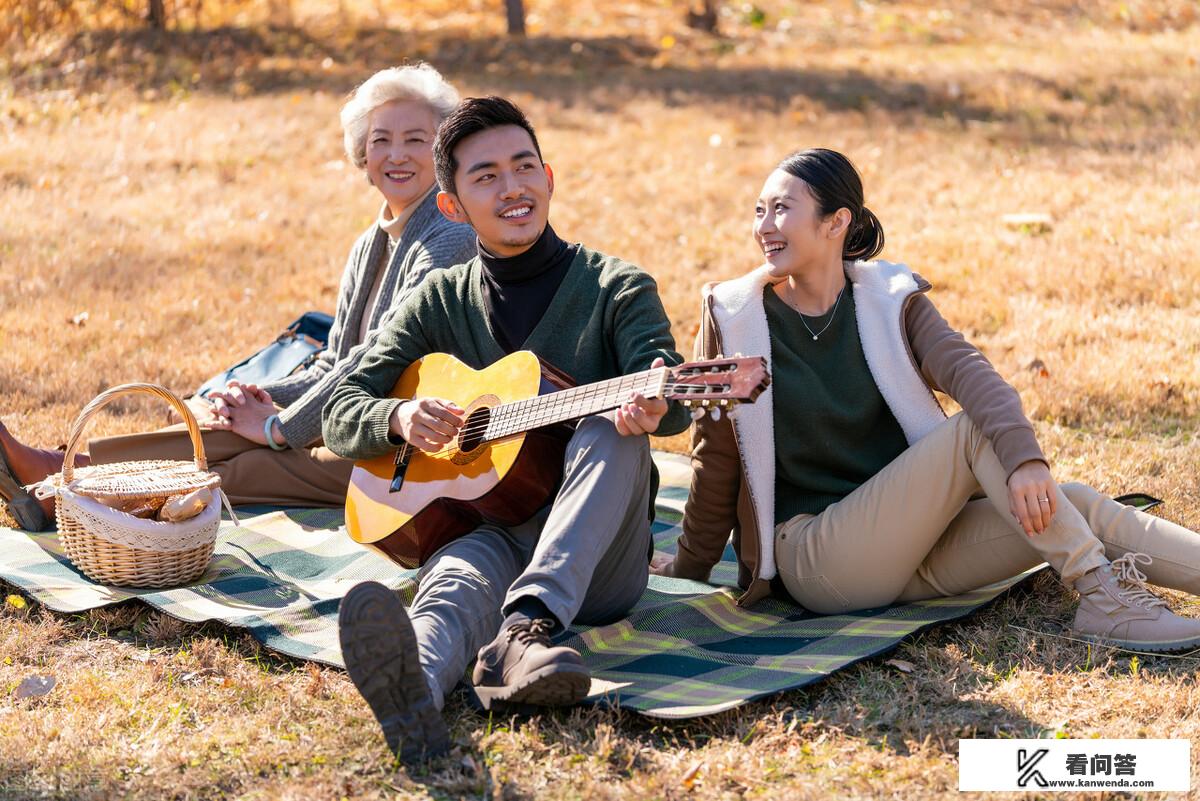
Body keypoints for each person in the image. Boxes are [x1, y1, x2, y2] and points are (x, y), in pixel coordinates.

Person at [655, 147, 1200, 654]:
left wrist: (1026, 461)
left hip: (912, 548)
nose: (764, 227)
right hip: (818, 557)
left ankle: (1116, 592)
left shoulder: (889, 302)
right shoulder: (736, 319)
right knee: (971, 434)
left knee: (1072, 500)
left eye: (781, 209)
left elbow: (972, 375)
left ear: (836, 222)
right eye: (759, 211)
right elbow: (718, 454)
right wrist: (690, 564)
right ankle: (1103, 595)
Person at [325, 96, 689, 763]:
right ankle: (419, 692)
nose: (513, 187)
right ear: (452, 207)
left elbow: (672, 390)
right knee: (452, 589)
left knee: (612, 427)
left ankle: (526, 629)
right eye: (486, 176)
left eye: (525, 167)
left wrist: (658, 406)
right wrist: (399, 415)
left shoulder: (616, 286)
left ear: (549, 178)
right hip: (486, 528)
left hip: (601, 558)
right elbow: (342, 407)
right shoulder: (438, 298)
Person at [0, 64, 475, 531]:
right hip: (350, 414)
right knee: (218, 433)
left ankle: (66, 494)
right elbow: (336, 361)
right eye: (380, 141)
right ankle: (61, 469)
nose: (397, 155)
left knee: (241, 469)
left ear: (441, 152)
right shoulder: (371, 242)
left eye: (416, 139)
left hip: (406, 442)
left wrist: (279, 427)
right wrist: (252, 401)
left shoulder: (446, 237)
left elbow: (376, 362)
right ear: (361, 154)